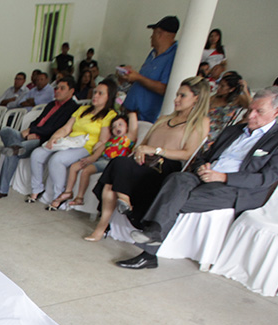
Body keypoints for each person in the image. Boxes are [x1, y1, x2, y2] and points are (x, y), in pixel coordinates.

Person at [119, 87, 278, 269]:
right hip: (206, 175)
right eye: (250, 109)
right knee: (176, 179)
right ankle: (153, 232)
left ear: (277, 111)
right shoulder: (234, 130)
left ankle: (148, 245)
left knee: (174, 197)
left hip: (237, 188)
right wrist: (203, 166)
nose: (251, 116)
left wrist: (223, 177)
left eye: (259, 111)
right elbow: (203, 157)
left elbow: (267, 178)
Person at [90, 76, 211, 241]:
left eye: (182, 96)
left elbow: (188, 154)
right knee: (117, 166)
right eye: (177, 94)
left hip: (164, 167)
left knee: (117, 168)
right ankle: (116, 210)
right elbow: (144, 144)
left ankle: (110, 219)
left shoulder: (200, 122)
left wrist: (157, 150)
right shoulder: (164, 119)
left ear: (196, 98)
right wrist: (140, 150)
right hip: (142, 161)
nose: (176, 99)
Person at [27, 79, 118, 204]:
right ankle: (37, 189)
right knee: (37, 153)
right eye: (95, 92)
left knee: (57, 159)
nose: (95, 95)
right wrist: (53, 138)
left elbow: (103, 141)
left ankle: (59, 195)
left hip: (86, 147)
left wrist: (94, 157)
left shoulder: (110, 115)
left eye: (100, 93)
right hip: (69, 141)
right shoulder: (83, 109)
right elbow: (66, 128)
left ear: (109, 96)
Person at [0, 75, 79, 199]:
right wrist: (30, 130)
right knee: (5, 130)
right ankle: (15, 147)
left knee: (14, 151)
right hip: (31, 135)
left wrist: (34, 132)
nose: (57, 91)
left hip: (41, 140)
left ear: (71, 91)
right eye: (57, 88)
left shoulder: (72, 108)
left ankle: (2, 189)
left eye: (62, 88)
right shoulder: (51, 104)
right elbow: (37, 120)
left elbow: (54, 129)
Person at [48, 113, 137, 212]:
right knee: (74, 166)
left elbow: (134, 127)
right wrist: (92, 158)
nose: (117, 128)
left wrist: (131, 114)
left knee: (86, 171)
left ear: (127, 127)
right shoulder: (111, 140)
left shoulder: (128, 138)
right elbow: (100, 150)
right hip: (101, 159)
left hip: (111, 163)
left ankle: (80, 197)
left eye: (120, 124)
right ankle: (68, 192)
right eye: (114, 126)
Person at [121, 15, 179, 123]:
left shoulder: (174, 56)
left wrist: (138, 77)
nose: (151, 37)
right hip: (130, 112)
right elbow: (144, 79)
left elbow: (164, 89)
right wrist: (131, 76)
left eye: (153, 33)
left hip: (144, 119)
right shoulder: (153, 53)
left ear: (160, 34)